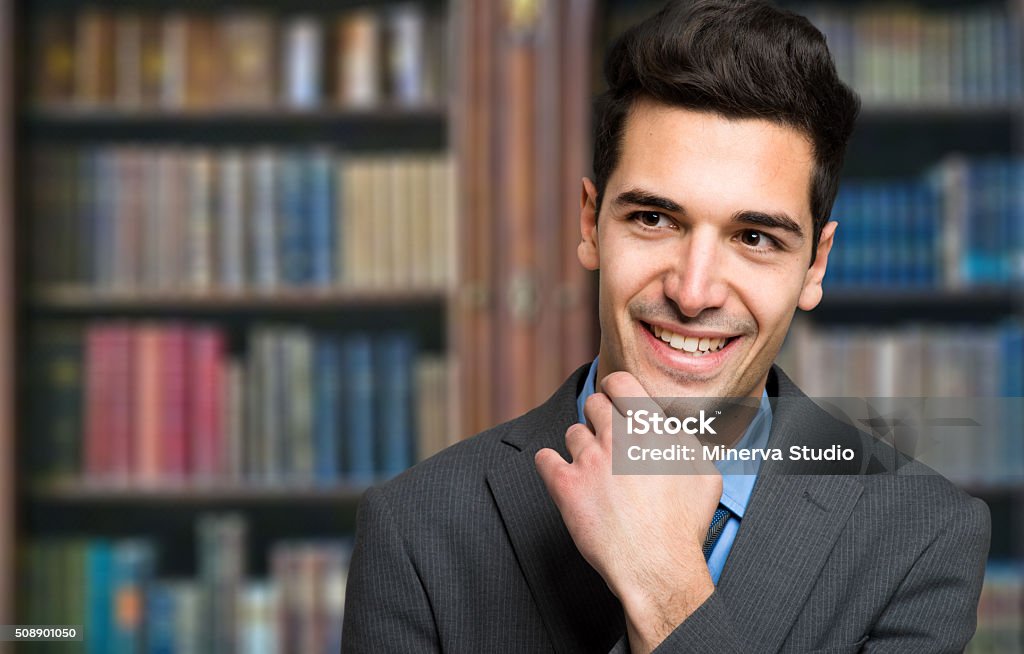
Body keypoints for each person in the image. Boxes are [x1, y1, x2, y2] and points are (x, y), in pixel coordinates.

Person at [341, 1, 990, 652]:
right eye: (655, 220)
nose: (693, 291)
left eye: (755, 237)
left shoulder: (921, 536)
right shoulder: (417, 528)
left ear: (815, 264)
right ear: (591, 223)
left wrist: (665, 587)